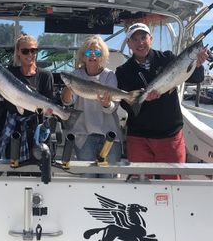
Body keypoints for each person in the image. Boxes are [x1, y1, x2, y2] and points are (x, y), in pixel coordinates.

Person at [115, 22, 209, 180]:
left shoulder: (168, 58)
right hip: (139, 136)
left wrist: (198, 65)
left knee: (172, 184)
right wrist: (144, 100)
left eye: (143, 37)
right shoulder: (123, 71)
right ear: (129, 44)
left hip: (170, 134)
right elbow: (126, 103)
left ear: (150, 39)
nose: (140, 43)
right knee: (140, 182)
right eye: (135, 39)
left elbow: (196, 77)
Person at [0, 34, 54, 162]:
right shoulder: (8, 72)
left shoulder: (46, 75)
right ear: (18, 53)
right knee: (11, 164)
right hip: (12, 125)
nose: (30, 54)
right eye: (25, 51)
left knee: (36, 166)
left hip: (36, 127)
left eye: (33, 50)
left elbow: (49, 103)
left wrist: (51, 113)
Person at [61, 35, 122, 177]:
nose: (93, 55)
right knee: (87, 178)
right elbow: (68, 102)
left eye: (97, 52)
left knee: (108, 179)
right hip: (84, 135)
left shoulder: (109, 76)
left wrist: (107, 104)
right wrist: (69, 88)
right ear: (83, 56)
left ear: (103, 56)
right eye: (89, 52)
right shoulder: (75, 75)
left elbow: (113, 107)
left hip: (109, 136)